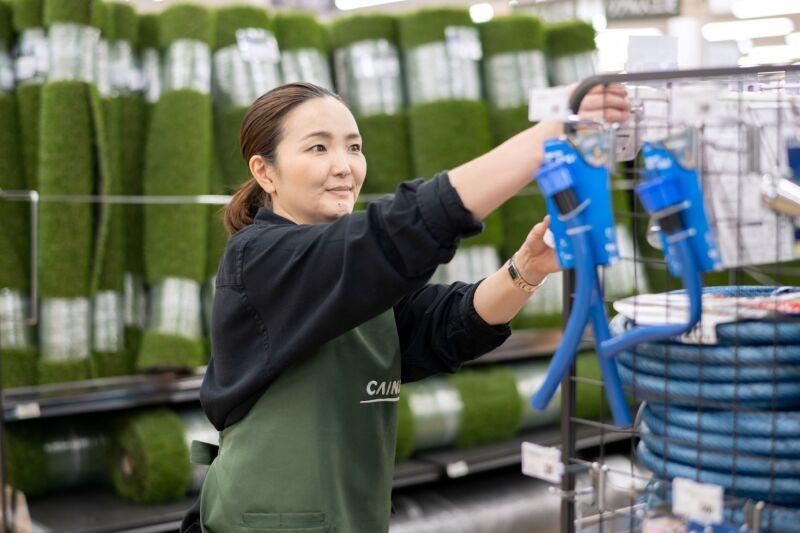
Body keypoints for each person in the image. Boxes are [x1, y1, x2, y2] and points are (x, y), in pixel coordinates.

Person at [182, 82, 630, 533]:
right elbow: (397, 234)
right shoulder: (260, 259)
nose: (344, 167)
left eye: (354, 147)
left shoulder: (354, 275)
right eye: (318, 148)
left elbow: (446, 325)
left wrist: (525, 269)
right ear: (265, 172)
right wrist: (546, 137)